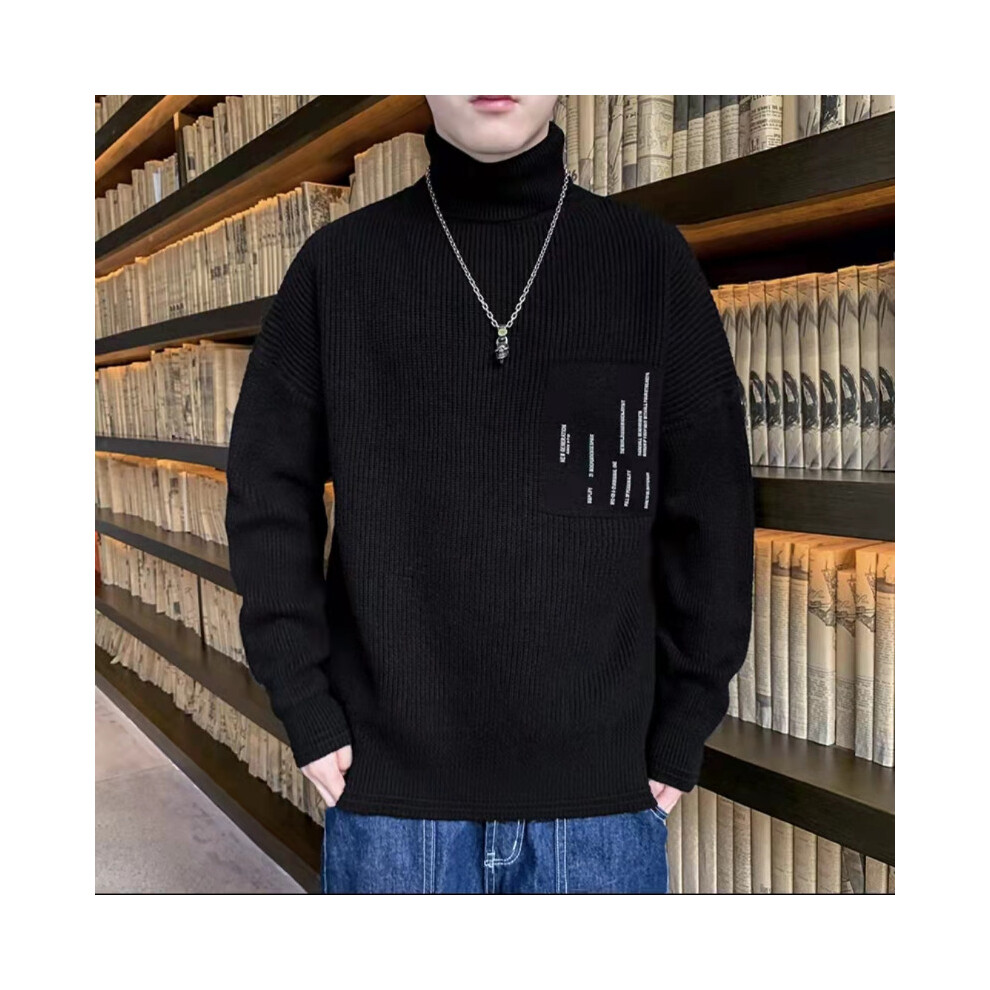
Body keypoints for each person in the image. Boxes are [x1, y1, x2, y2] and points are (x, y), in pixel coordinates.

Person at [225, 95, 754, 894]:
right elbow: (268, 489)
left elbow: (712, 507)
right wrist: (302, 699)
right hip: (391, 795)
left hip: (602, 798)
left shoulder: (649, 263)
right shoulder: (339, 266)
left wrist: (688, 716)